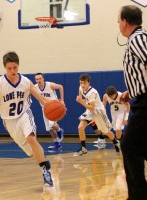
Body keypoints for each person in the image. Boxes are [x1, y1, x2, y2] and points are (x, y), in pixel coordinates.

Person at [0, 51, 54, 187]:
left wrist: (56, 105)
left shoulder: (26, 82)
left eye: (15, 67)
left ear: (18, 66)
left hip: (24, 114)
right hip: (9, 121)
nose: (12, 71)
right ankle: (43, 160)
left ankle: (45, 172)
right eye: (9, 68)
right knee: (31, 152)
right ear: (5, 67)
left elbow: (42, 99)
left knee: (31, 138)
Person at [118, 5, 147, 199]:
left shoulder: (137, 38)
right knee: (137, 145)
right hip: (140, 98)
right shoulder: (138, 38)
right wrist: (132, 90)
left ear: (126, 22)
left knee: (129, 145)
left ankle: (139, 194)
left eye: (119, 21)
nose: (118, 24)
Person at [74, 74, 120, 156]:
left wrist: (81, 101)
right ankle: (83, 148)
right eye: (81, 83)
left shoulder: (92, 93)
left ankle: (116, 142)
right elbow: (81, 97)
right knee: (80, 127)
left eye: (84, 83)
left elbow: (91, 107)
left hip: (99, 112)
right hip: (90, 111)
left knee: (105, 131)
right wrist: (81, 100)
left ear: (89, 83)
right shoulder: (80, 88)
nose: (82, 85)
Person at [34, 73, 64, 150]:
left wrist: (62, 100)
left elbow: (60, 87)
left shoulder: (49, 85)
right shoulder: (35, 87)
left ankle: (59, 130)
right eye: (37, 79)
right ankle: (57, 143)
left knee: (51, 124)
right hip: (45, 109)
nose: (38, 80)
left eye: (40, 78)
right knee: (49, 129)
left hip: (54, 108)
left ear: (43, 79)